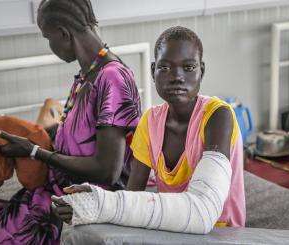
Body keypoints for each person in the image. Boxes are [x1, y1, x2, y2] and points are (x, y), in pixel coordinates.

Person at [52, 26, 246, 234]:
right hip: (172, 232)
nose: (177, 77)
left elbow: (202, 213)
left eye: (188, 67)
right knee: (77, 232)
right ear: (153, 71)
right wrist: (93, 205)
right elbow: (132, 196)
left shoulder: (218, 116)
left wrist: (103, 204)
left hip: (222, 234)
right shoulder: (150, 122)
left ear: (202, 71)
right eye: (165, 68)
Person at [0, 0, 141, 244]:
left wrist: (35, 152)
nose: (50, 46)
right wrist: (33, 137)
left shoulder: (112, 78)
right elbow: (80, 135)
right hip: (55, 192)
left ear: (64, 34)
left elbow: (108, 171)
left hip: (81, 201)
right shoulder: (87, 75)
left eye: (48, 38)